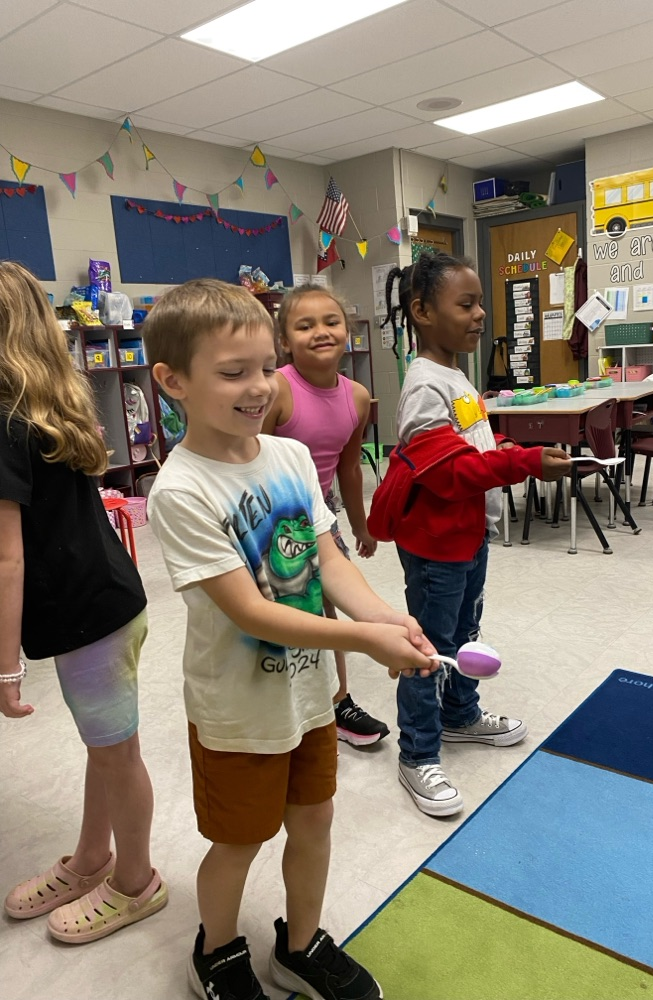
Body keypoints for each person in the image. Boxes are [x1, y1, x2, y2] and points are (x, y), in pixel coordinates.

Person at [143, 279, 437, 1000]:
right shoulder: (181, 491)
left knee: (314, 821)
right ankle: (215, 951)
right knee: (239, 840)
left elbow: (328, 559)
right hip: (238, 710)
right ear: (172, 380)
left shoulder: (289, 458)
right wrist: (368, 643)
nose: (257, 388)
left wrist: (382, 617)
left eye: (264, 367)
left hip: (308, 695)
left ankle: (300, 945)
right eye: (232, 372)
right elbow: (250, 611)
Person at [368, 251, 571, 818]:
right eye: (467, 304)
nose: (481, 314)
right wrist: (524, 462)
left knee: (462, 633)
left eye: (480, 302)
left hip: (467, 536)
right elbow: (450, 474)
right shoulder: (422, 387)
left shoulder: (454, 375)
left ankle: (459, 716)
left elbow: (470, 452)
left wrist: (507, 453)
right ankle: (417, 754)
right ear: (422, 311)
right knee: (426, 648)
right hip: (435, 546)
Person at [0, 261, 166, 943]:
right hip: (111, 599)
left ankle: (137, 883)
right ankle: (95, 857)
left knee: (117, 753)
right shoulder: (52, 401)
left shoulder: (5, 419)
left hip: (86, 614)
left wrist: (5, 669)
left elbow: (6, 560)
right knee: (106, 747)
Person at [262, 283, 388, 748]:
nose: (321, 332)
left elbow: (350, 465)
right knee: (279, 611)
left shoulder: (356, 396)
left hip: (321, 514)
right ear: (284, 340)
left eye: (331, 321)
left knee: (327, 604)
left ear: (348, 331)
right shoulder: (274, 389)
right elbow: (248, 459)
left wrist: (361, 524)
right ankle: (289, 699)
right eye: (305, 324)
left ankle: (337, 703)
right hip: (270, 519)